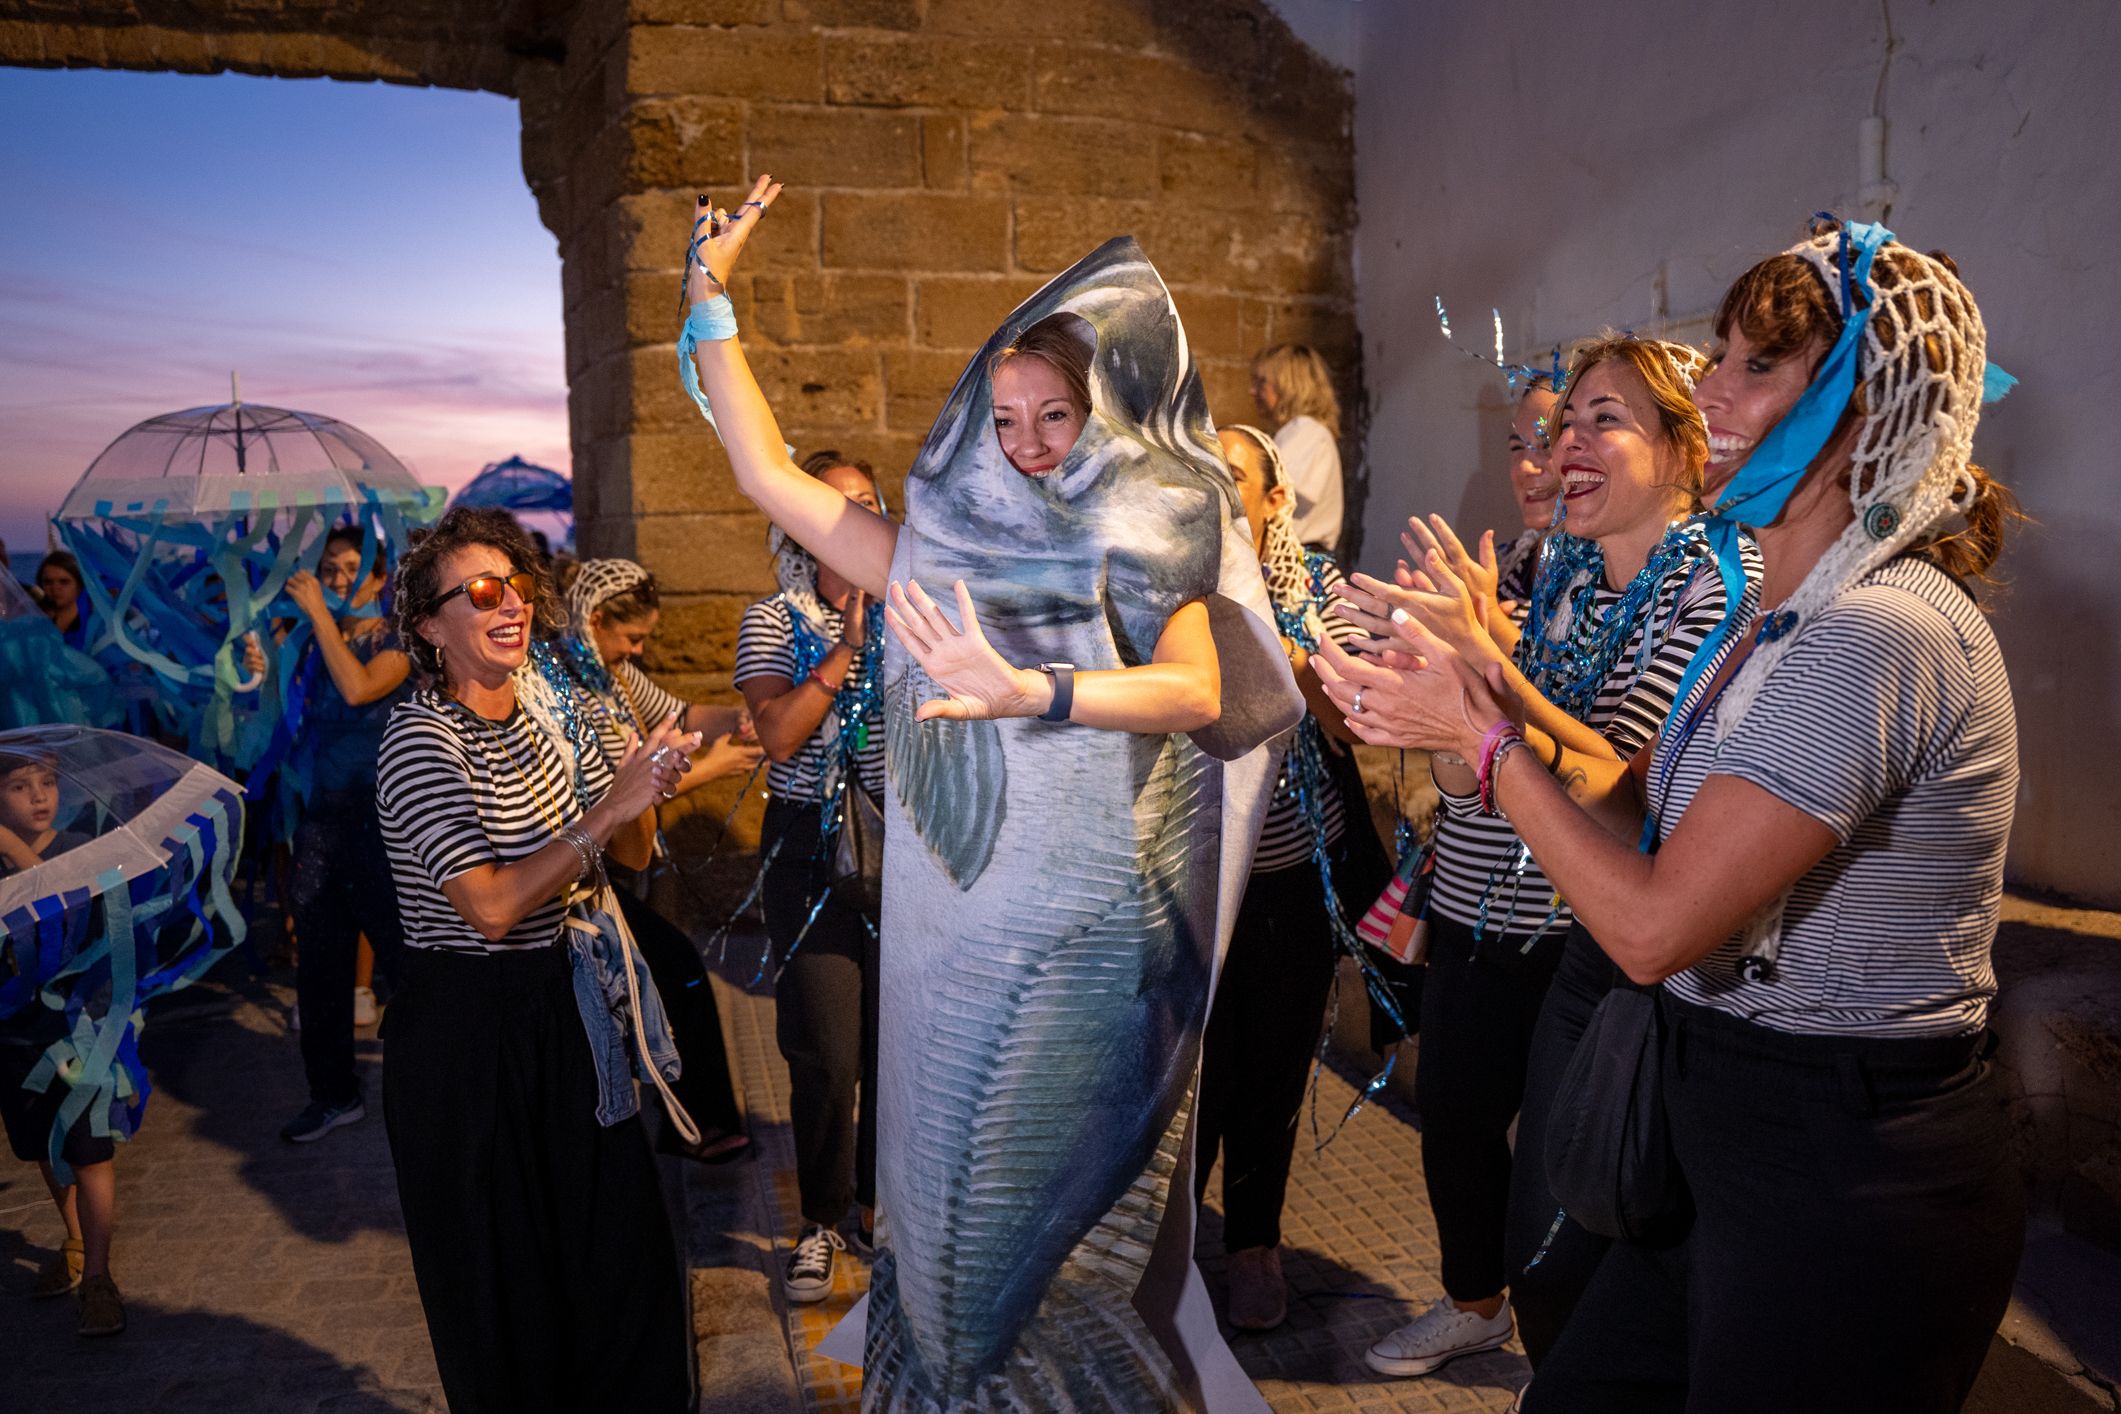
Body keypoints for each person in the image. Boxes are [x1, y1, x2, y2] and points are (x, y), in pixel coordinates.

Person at [1320, 221, 2021, 1414]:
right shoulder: (1784, 622)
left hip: (1845, 1156)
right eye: (1718, 356)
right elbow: (1636, 801)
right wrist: (1479, 675)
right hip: (1731, 1111)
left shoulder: (1881, 633)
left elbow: (1652, 927)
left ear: (1867, 410)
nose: (1713, 388)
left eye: (1757, 365)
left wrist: (1478, 742)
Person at [681, 182, 1298, 1408]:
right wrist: (707, 297)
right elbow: (761, 469)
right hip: (952, 949)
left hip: (1083, 938)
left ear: (1099, 414)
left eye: (1054, 416)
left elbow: (1189, 691)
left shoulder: (1142, 543)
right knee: (935, 1230)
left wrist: (1033, 689)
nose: (1025, 442)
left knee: (1034, 1250)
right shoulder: (926, 554)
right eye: (1003, 416)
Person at [1330, 336, 1759, 1383]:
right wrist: (1427, 698)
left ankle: (1575, 1359)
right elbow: (1488, 776)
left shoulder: (1714, 589)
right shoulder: (1548, 565)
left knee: (1575, 1210)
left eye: (1597, 419)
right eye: (1555, 426)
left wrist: (1485, 680)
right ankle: (1484, 1310)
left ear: (1685, 445)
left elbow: (1628, 799)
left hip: (1605, 931)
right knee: (1465, 1130)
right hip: (1489, 908)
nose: (1559, 446)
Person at [375, 506, 699, 1412]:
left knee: (619, 1264)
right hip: (467, 1043)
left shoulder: (539, 725)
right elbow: (487, 905)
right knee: (507, 1293)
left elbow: (624, 862)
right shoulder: (419, 740)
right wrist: (606, 811)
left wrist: (642, 783)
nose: (510, 601)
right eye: (482, 591)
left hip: (565, 1014)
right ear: (431, 628)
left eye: (517, 583)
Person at [1192, 424, 1390, 1331]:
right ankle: (1164, 1248)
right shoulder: (1168, 584)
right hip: (1184, 880)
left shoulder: (1317, 588)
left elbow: (1354, 724)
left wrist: (1272, 634)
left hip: (1285, 882)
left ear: (1274, 500)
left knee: (1267, 1069)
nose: (1213, 490)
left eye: (1231, 477)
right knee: (1183, 1073)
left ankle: (1254, 1248)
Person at [525, 557, 762, 1166]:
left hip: (626, 862)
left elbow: (679, 716)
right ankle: (691, 1125)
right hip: (589, 871)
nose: (639, 648)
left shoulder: (616, 674)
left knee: (665, 976)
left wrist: (741, 717)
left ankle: (686, 1123)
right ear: (595, 620)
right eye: (632, 636)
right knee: (675, 971)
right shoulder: (567, 688)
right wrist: (714, 767)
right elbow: (616, 794)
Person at [269, 527, 413, 1143]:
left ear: (377, 579)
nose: (332, 581)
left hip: (383, 819)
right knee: (319, 965)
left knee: (406, 962)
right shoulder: (313, 638)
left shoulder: (397, 637)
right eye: (325, 569)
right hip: (323, 816)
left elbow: (359, 688)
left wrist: (319, 621)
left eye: (347, 569)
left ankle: (436, 1084)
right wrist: (268, 662)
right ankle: (332, 1094)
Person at [0, 749, 123, 1335]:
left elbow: (72, 917)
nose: (40, 796)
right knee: (44, 1144)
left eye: (47, 782)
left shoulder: (76, 845)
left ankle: (99, 1277)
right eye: (21, 787)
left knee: (88, 1145)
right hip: (15, 1032)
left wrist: (15, 850)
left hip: (79, 1025)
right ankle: (76, 1243)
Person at [1250, 343, 1346, 552]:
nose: (1252, 391)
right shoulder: (1295, 432)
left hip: (1300, 560)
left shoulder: (1308, 431)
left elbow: (1278, 491)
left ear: (1288, 385)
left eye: (1261, 382)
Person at [1495, 375, 1565, 608]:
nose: (1524, 467)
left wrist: (1481, 612)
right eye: (1517, 447)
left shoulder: (1616, 572)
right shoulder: (1500, 564)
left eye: (1546, 444)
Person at [35, 552, 89, 652]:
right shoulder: (35, 623)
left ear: (80, 585)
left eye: (64, 582)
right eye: (48, 582)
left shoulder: (93, 625)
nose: (55, 588)